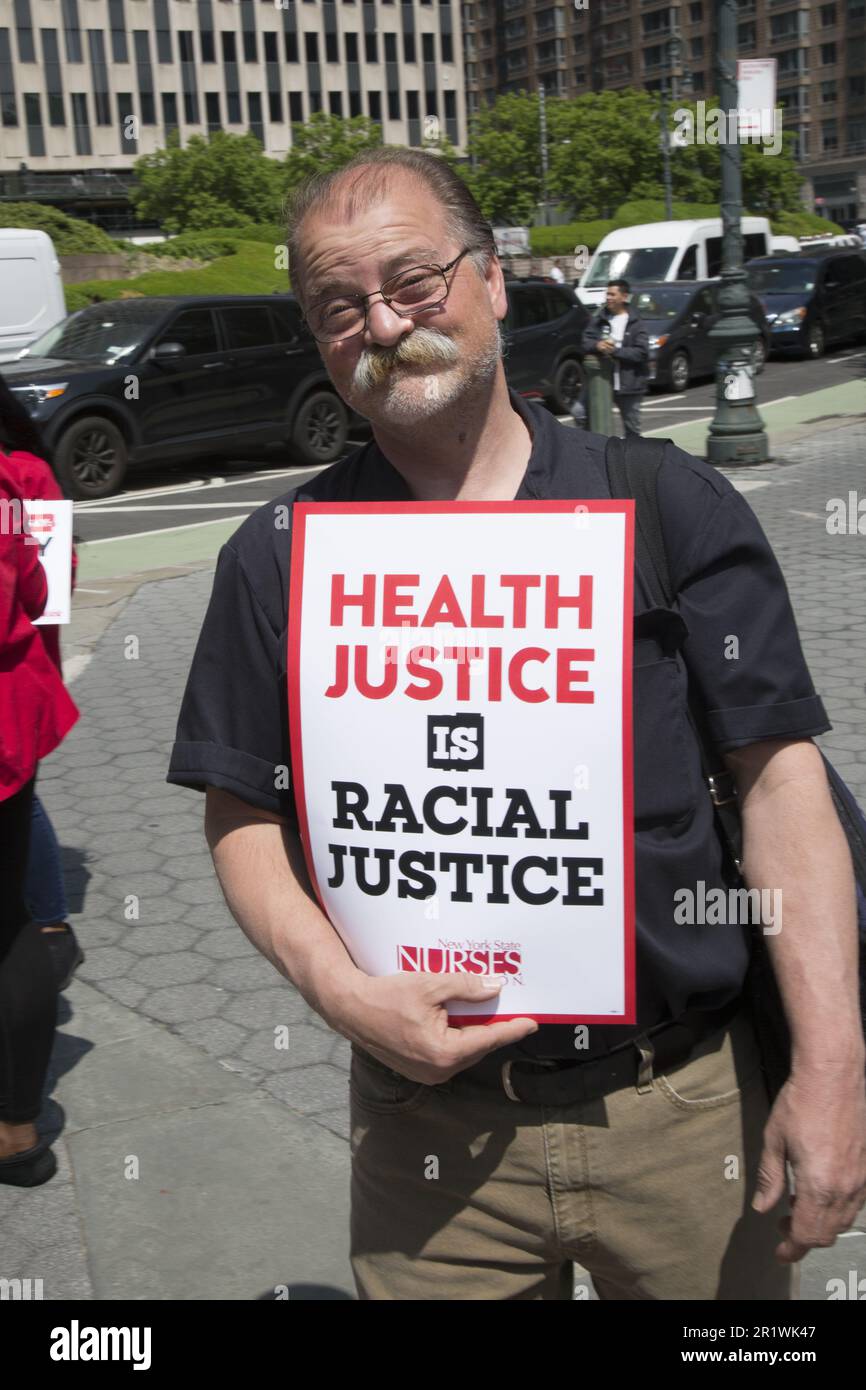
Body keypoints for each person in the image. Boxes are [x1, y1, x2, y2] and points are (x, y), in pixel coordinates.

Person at [167, 147, 866, 1300]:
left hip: (684, 1110)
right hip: (426, 1141)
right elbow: (241, 811)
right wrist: (337, 995)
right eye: (339, 306)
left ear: (492, 280)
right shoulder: (278, 559)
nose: (382, 323)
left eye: (412, 281)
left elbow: (777, 779)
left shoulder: (664, 504)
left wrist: (833, 1069)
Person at [0, 454, 78, 1186]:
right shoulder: (15, 476)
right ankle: (17, 1126)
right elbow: (41, 592)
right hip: (9, 723)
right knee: (14, 921)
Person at [0, 372, 84, 990]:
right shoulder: (21, 470)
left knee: (25, 802)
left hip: (23, 660)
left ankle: (52, 922)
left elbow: (50, 583)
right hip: (25, 653)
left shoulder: (23, 472)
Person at [581, 278, 649, 436]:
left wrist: (615, 351)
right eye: (607, 294)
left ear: (624, 297)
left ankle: (634, 459)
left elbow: (641, 352)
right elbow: (586, 340)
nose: (608, 298)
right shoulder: (600, 319)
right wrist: (597, 345)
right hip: (601, 380)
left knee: (631, 427)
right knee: (580, 412)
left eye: (613, 294)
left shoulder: (636, 322)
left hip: (629, 383)